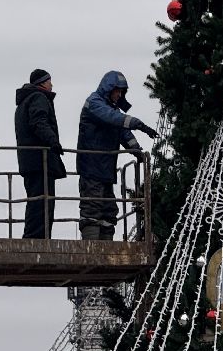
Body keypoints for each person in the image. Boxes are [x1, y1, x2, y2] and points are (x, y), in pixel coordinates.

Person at [76, 70, 158, 240]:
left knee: (108, 210)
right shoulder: (94, 104)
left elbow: (123, 132)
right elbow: (114, 119)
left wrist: (137, 151)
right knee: (92, 207)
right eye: (117, 91)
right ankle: (92, 249)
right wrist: (139, 124)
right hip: (91, 167)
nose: (119, 94)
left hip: (105, 169)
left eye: (122, 92)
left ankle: (105, 247)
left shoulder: (111, 110)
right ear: (109, 89)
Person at [14, 69, 66, 239]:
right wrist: (53, 141)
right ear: (43, 82)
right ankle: (37, 238)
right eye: (50, 81)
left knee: (36, 201)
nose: (52, 84)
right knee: (43, 202)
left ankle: (34, 236)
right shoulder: (39, 98)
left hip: (30, 160)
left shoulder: (25, 102)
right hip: (40, 160)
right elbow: (39, 122)